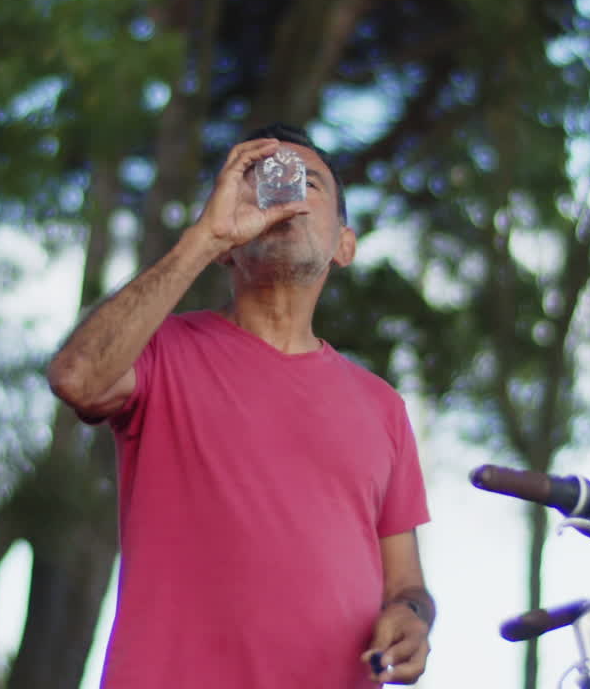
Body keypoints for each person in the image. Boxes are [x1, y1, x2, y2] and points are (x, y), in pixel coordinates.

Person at [48, 123, 434, 688]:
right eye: (267, 183)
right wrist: (205, 237)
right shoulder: (162, 352)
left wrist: (412, 618)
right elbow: (76, 377)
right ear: (229, 251)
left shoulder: (382, 407)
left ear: (344, 245)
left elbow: (406, 587)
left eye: (312, 184)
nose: (288, 196)